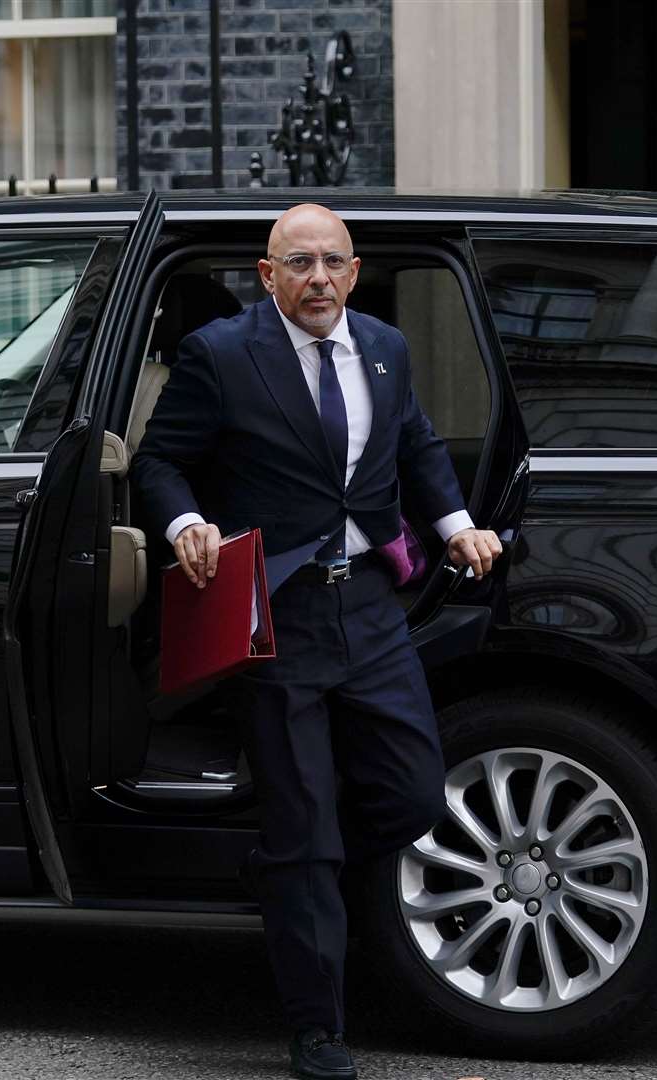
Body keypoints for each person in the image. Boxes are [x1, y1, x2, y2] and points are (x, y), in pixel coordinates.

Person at [131, 203, 503, 1080]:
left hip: (370, 608)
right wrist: (184, 519)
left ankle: (298, 871)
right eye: (298, 264)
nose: (318, 279)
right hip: (276, 615)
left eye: (332, 262)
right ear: (268, 277)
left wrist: (454, 524)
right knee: (304, 831)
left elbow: (410, 440)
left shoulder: (384, 345)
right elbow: (157, 459)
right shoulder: (221, 354)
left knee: (412, 794)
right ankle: (317, 1024)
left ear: (354, 269)